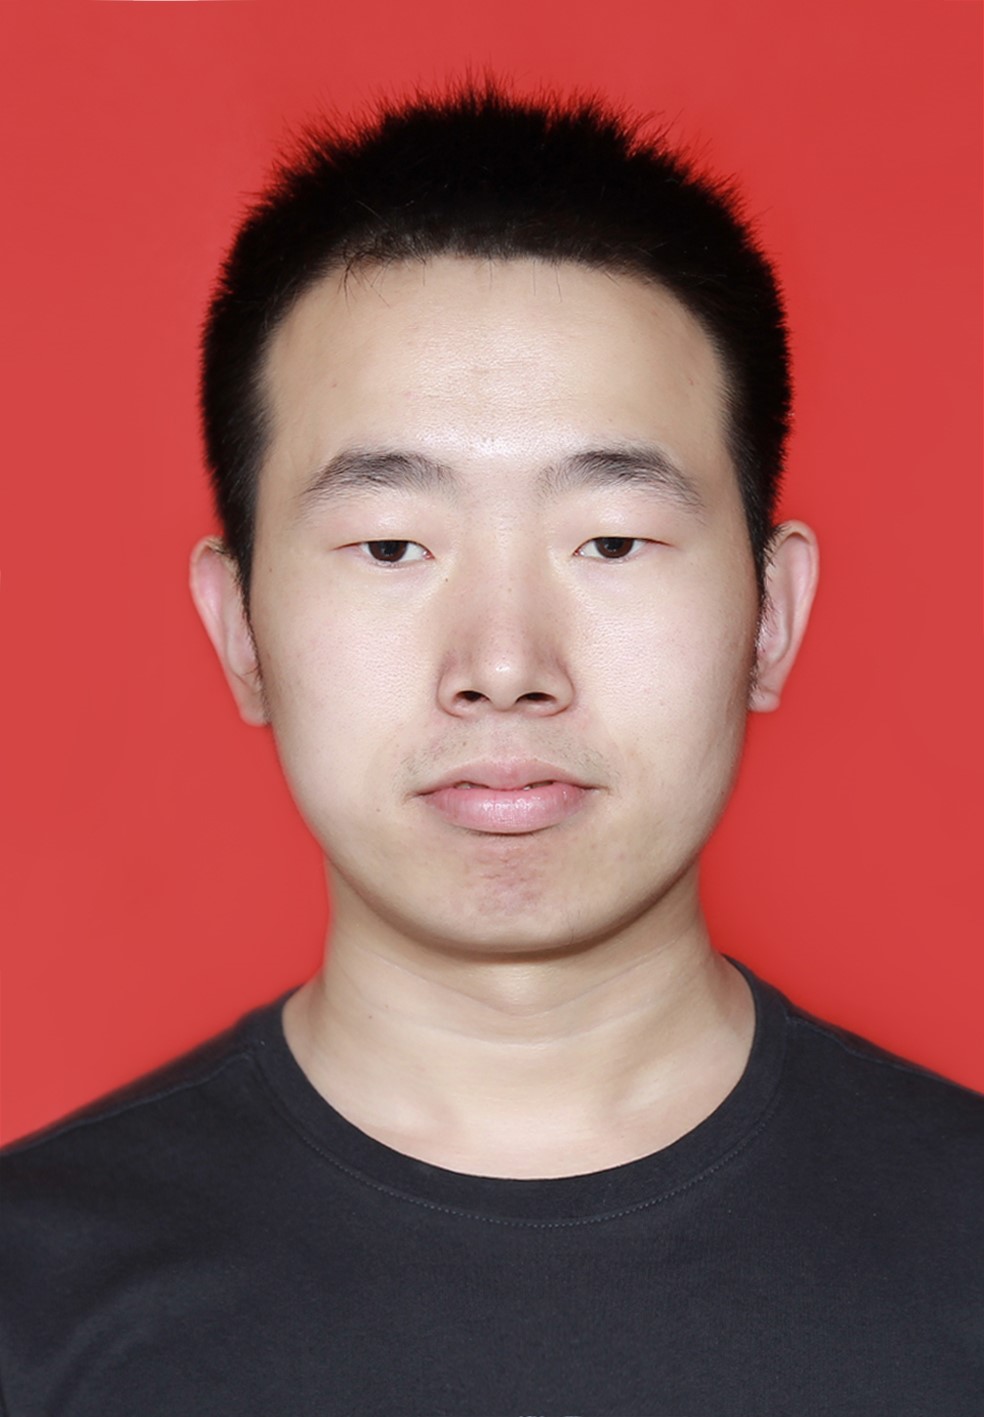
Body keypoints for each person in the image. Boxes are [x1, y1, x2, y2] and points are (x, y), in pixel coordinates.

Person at [1, 85, 981, 1417]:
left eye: (613, 540)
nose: (506, 663)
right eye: (391, 544)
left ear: (772, 615)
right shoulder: (30, 1299)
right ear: (240, 629)